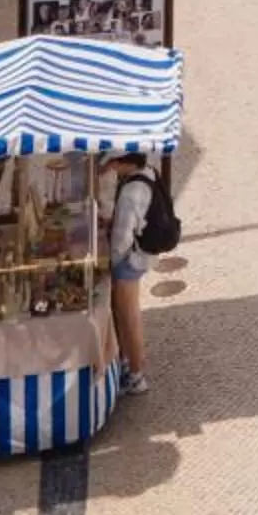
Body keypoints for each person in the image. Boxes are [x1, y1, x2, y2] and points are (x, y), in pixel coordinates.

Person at [102, 154, 157, 395]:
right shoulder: (148, 173)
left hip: (129, 261)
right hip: (140, 255)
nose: (109, 166)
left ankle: (136, 375)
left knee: (128, 316)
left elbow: (121, 240)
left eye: (112, 162)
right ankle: (126, 361)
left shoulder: (130, 193)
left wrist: (108, 264)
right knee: (126, 314)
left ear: (123, 162)